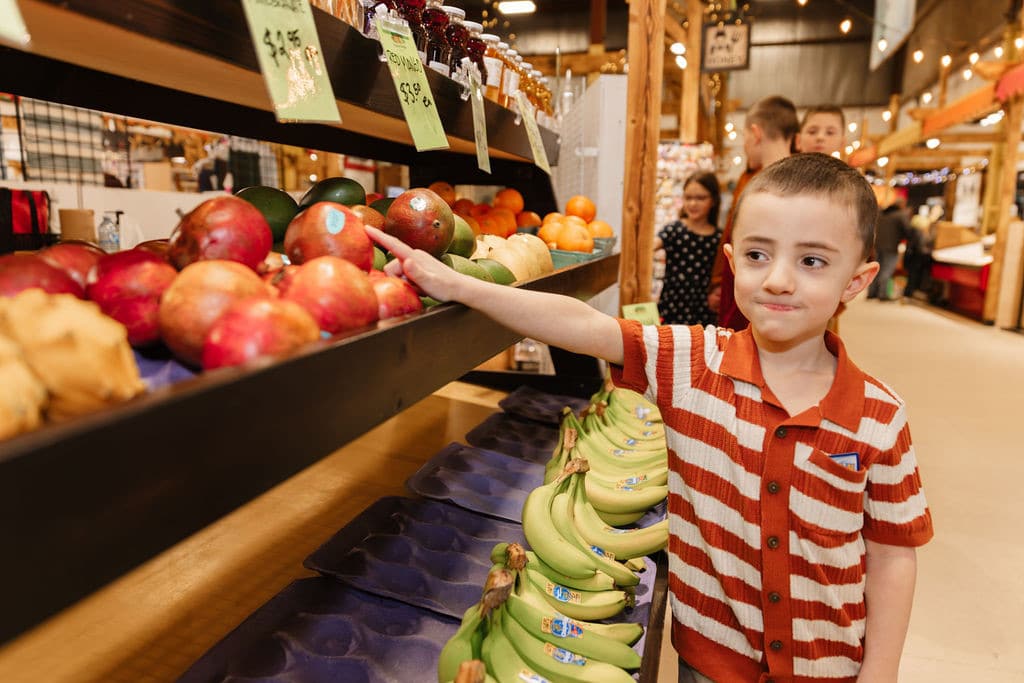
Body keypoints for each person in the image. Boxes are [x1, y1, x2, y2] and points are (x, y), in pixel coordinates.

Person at [367, 152, 933, 683]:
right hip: (710, 664)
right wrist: (458, 284)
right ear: (732, 262)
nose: (779, 279)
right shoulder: (693, 363)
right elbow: (581, 325)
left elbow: (891, 559)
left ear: (856, 281)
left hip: (829, 668)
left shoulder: (879, 416)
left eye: (812, 261)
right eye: (759, 255)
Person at [709, 95, 799, 331]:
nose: (746, 144)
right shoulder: (808, 183)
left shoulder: (756, 183)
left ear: (756, 133)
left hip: (754, 296)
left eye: (745, 137)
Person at [655, 172, 722, 326]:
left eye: (700, 198)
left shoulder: (719, 238)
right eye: (688, 197)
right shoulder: (674, 229)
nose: (692, 203)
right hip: (671, 310)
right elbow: (649, 247)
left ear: (713, 200)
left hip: (704, 313)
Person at [868, 192, 910, 301]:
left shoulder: (882, 213)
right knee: (887, 269)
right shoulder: (900, 215)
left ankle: (872, 293)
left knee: (876, 269)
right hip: (891, 246)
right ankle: (883, 294)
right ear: (902, 205)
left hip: (878, 245)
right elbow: (907, 230)